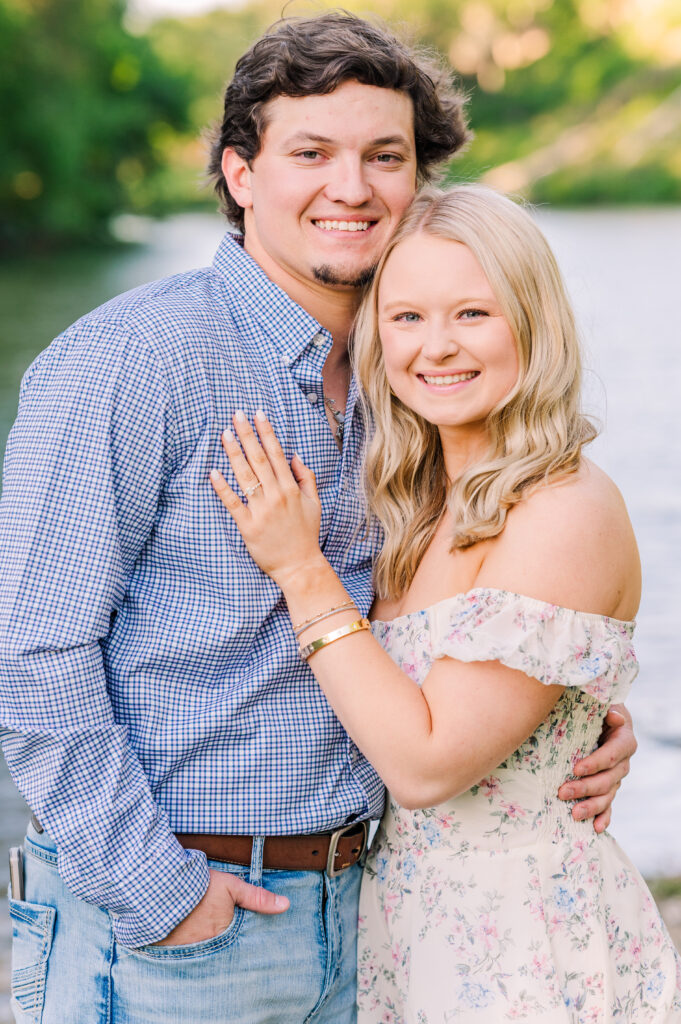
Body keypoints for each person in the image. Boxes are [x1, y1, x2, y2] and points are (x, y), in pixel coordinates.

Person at [0, 12, 635, 1024]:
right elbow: (32, 655)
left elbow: (467, 616)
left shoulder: (412, 386)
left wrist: (561, 721)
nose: (352, 186)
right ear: (242, 174)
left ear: (418, 182)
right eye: (311, 153)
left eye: (385, 155)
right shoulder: (134, 359)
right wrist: (163, 898)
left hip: (368, 915)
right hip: (182, 928)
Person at [209, 183, 681, 1021]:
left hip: (519, 949)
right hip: (397, 930)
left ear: (530, 323)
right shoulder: (414, 500)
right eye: (406, 317)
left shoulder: (564, 508)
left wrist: (300, 570)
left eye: (472, 314)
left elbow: (426, 766)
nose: (436, 348)